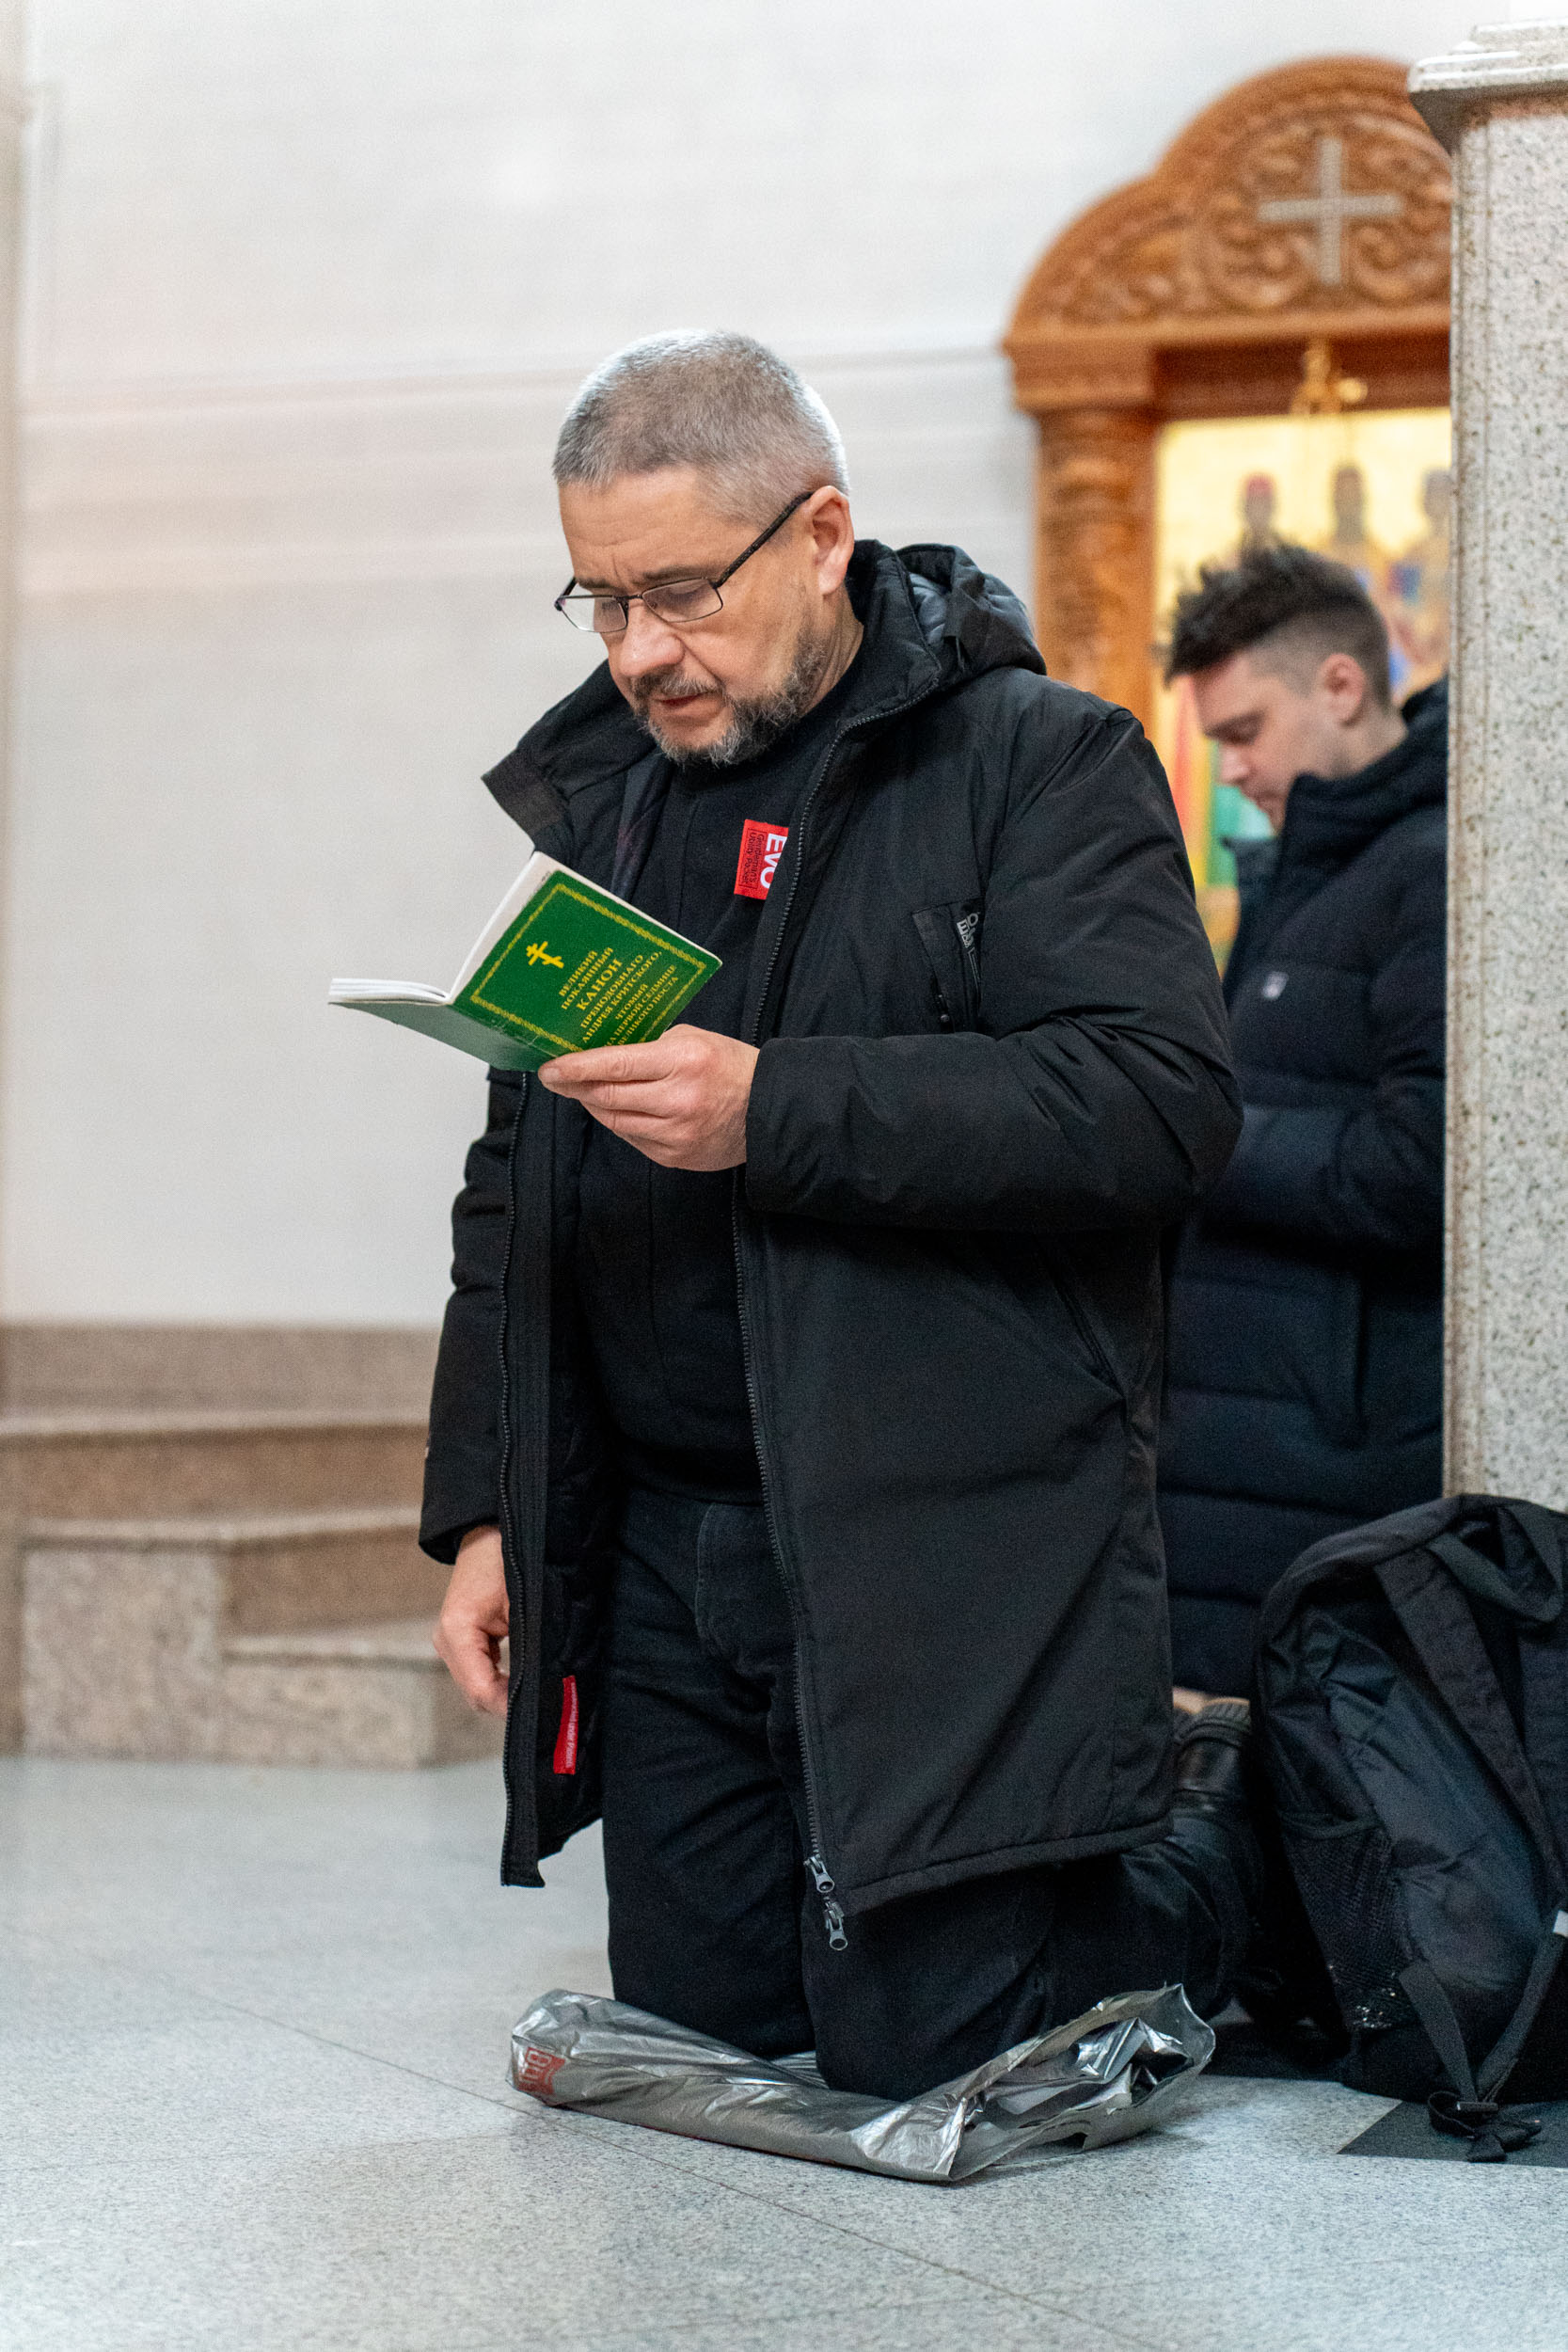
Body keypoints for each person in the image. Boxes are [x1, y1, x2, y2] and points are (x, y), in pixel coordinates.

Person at [422, 329, 1266, 2100]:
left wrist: (772, 1108)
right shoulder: (612, 804)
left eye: (680, 594)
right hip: (669, 1548)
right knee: (708, 2049)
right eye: (599, 601)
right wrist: (491, 1509)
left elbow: (1154, 1102)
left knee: (934, 2061)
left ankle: (1196, 1860)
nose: (639, 653)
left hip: (934, 1540)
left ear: (819, 536)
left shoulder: (1038, 763)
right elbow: (519, 1180)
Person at [1159, 545, 1446, 1698]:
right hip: (1244, 1454)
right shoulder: (1305, 876)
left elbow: (1424, 1166)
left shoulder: (1432, 869)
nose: (1231, 769)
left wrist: (1187, 1130)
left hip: (1328, 1463)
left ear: (1338, 683)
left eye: (1244, 732)